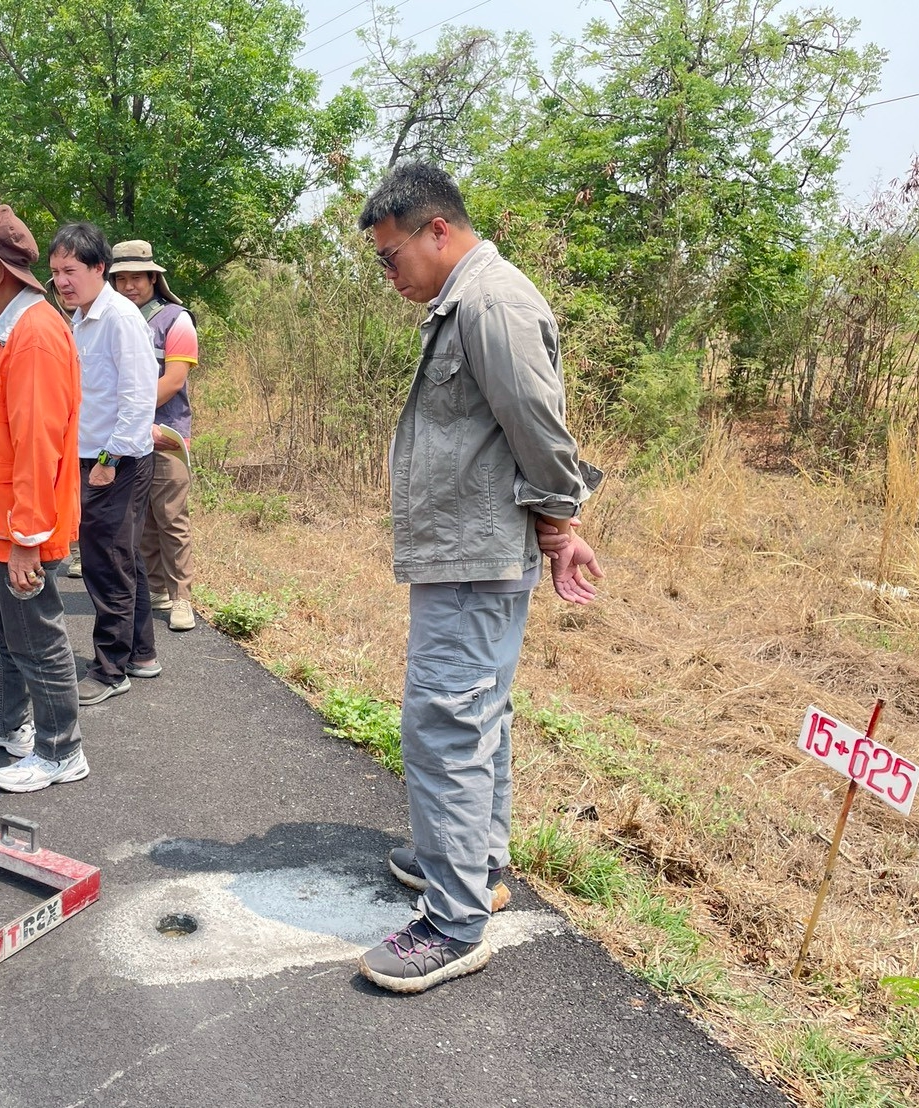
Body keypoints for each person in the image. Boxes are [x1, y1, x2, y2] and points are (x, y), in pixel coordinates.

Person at [353, 163, 603, 994]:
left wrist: (561, 524)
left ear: (436, 230)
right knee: (474, 716)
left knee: (445, 725)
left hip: (475, 554)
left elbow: (538, 425)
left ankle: (454, 921)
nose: (389, 275)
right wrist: (555, 527)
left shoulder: (490, 303)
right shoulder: (465, 299)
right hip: (468, 548)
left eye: (390, 256)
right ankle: (473, 864)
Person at [0, 188, 86, 793]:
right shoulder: (6, 328)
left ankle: (61, 751)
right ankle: (12, 725)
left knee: (36, 637)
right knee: (2, 630)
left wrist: (27, 536)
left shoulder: (33, 335)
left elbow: (37, 445)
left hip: (18, 527)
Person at [48, 223, 158, 704]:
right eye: (55, 272)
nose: (62, 281)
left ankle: (110, 669)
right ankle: (141, 654)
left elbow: (138, 398)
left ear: (99, 269)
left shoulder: (119, 318)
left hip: (115, 459)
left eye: (70, 270)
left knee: (105, 563)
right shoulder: (81, 317)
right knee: (123, 556)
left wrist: (109, 460)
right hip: (95, 455)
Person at [109, 240, 198, 633]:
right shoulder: (112, 320)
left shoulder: (177, 321)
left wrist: (131, 414)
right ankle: (157, 589)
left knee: (171, 518)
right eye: (121, 279)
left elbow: (174, 380)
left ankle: (182, 598)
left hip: (166, 436)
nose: (129, 286)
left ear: (153, 279)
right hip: (125, 437)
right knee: (141, 519)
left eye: (137, 278)